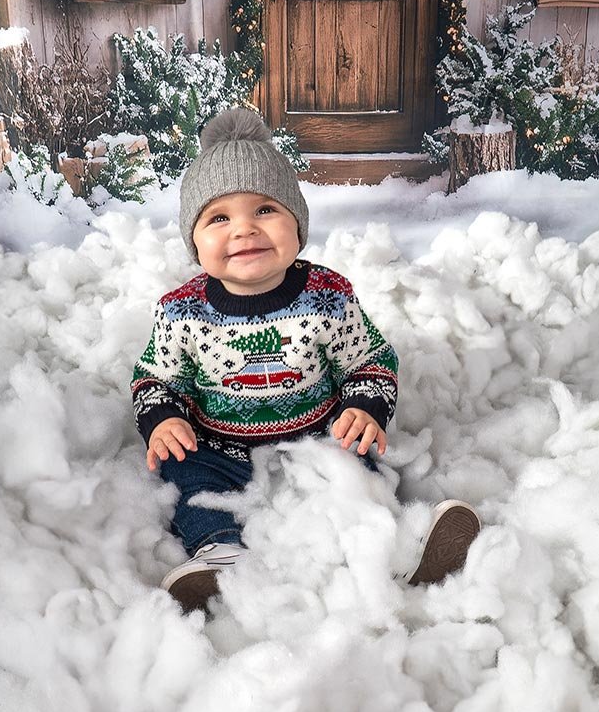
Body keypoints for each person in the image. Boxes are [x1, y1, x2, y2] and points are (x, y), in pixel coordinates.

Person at [131, 107, 480, 612]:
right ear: (194, 241)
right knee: (186, 472)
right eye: (219, 217)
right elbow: (155, 377)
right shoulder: (182, 312)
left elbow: (369, 358)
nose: (244, 229)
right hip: (219, 446)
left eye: (265, 210)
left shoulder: (327, 295)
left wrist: (364, 405)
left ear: (298, 224)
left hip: (317, 435)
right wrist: (163, 418)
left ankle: (398, 545)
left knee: (356, 461)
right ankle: (218, 554)